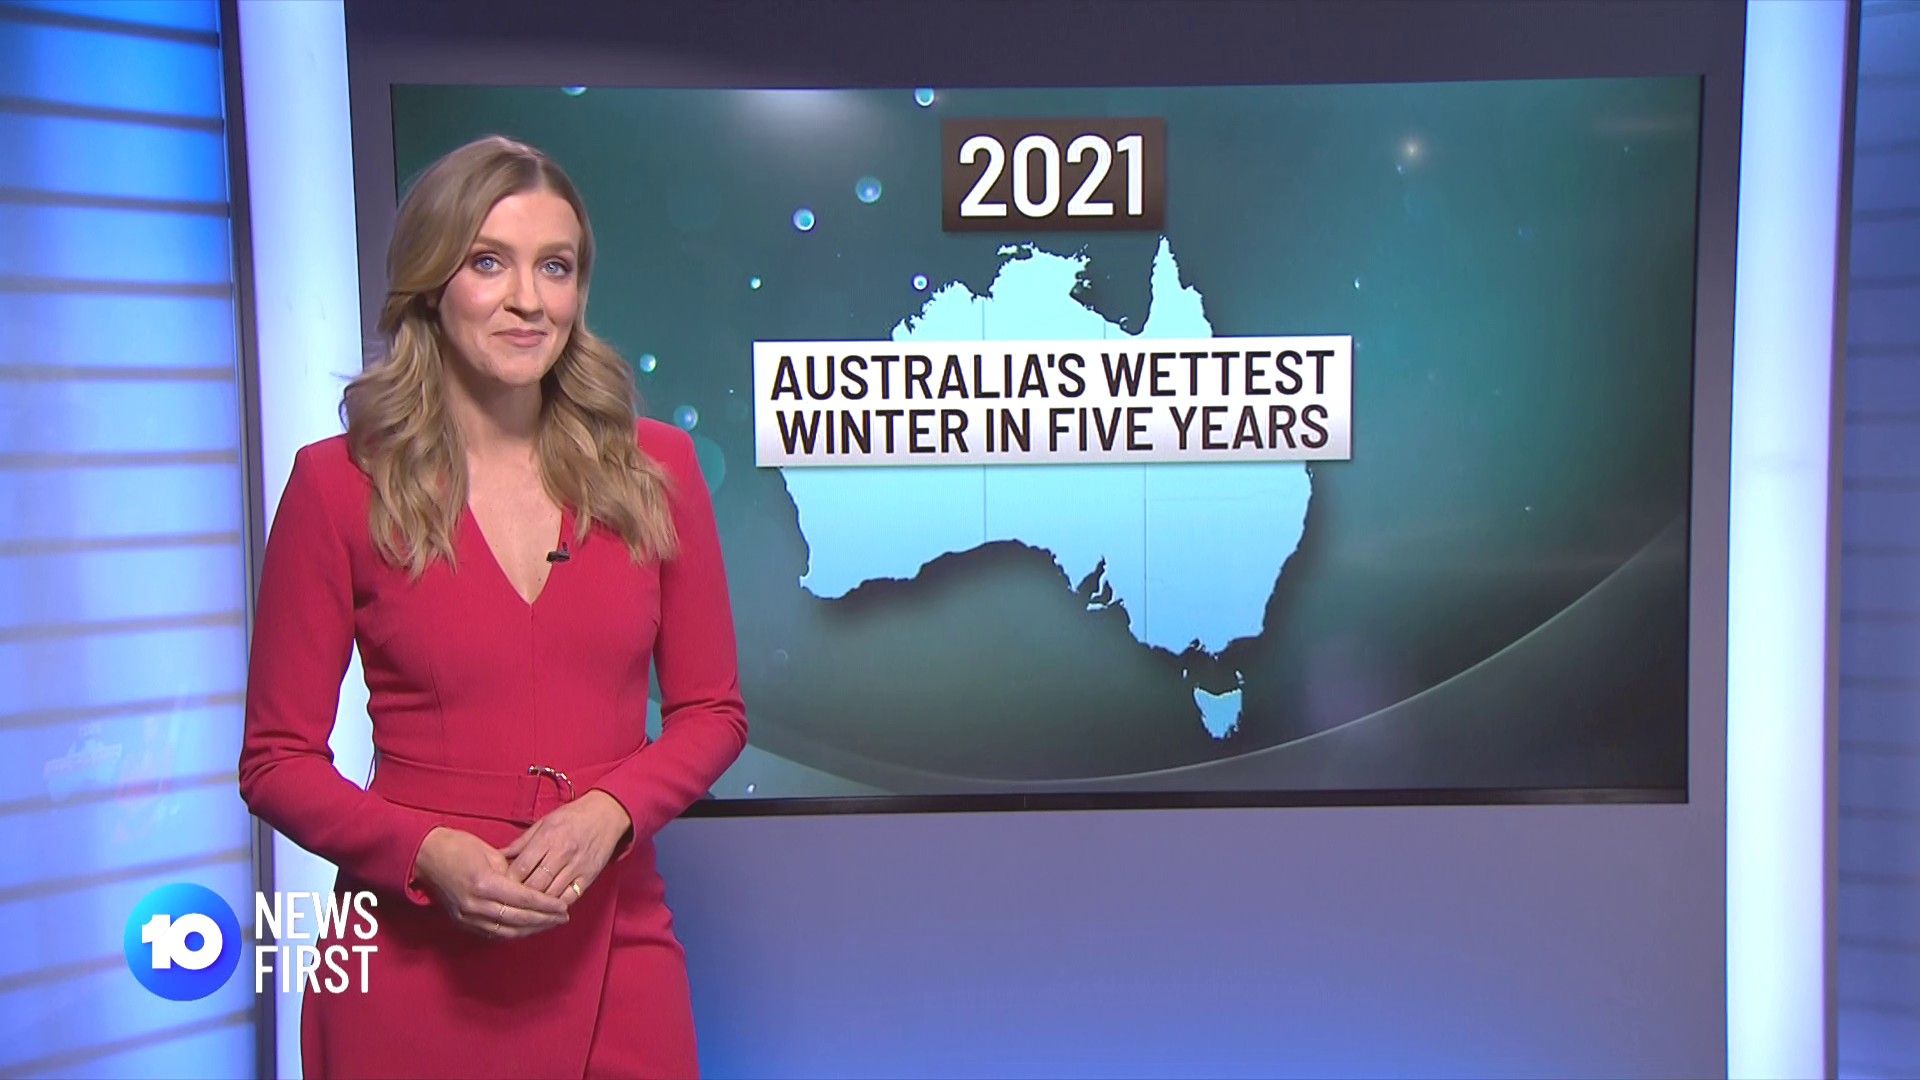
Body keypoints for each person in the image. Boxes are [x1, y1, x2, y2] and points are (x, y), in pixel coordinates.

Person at [238, 135, 747, 1079]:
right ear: (431, 283)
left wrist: (612, 811)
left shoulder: (656, 469)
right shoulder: (336, 485)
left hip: (613, 934)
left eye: (555, 267)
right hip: (409, 954)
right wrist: (423, 850)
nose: (528, 300)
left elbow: (713, 711)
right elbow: (275, 762)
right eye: (487, 263)